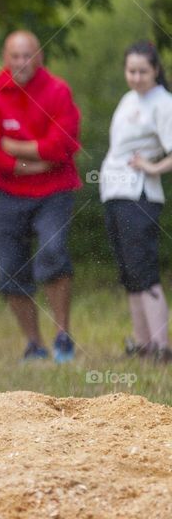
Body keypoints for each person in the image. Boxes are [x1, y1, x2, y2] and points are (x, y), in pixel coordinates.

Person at [0, 30, 81, 363]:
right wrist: (34, 161)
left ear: (40, 57)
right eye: (15, 56)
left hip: (55, 191)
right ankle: (34, 345)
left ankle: (63, 335)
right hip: (9, 195)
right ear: (6, 59)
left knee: (53, 251)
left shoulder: (58, 91)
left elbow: (62, 146)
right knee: (9, 270)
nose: (21, 62)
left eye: (28, 55)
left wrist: (13, 149)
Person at [100, 41, 172, 363]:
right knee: (128, 271)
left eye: (143, 71)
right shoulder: (128, 99)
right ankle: (143, 345)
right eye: (131, 71)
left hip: (139, 194)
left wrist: (153, 167)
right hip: (114, 191)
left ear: (156, 69)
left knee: (144, 269)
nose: (137, 77)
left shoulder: (164, 103)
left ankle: (162, 346)